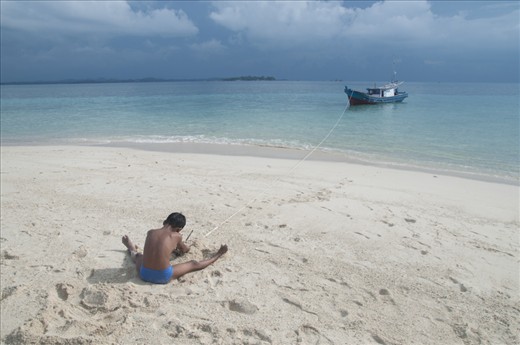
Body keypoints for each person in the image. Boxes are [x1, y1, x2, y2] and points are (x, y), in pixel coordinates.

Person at [122, 212, 228, 284]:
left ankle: (131, 248)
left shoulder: (150, 232)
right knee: (193, 264)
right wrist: (180, 247)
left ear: (164, 222)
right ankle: (219, 254)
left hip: (144, 274)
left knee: (139, 256)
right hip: (163, 277)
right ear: (179, 229)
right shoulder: (176, 236)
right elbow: (185, 250)